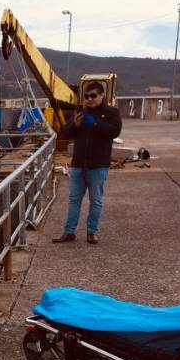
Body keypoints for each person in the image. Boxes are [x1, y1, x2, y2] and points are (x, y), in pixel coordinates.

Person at [53, 81, 122, 245]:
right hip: (78, 165)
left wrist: (95, 123)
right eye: (86, 96)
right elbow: (65, 133)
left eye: (93, 96)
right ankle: (69, 232)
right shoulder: (80, 112)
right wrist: (75, 125)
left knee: (96, 201)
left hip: (98, 166)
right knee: (73, 200)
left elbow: (114, 131)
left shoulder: (112, 112)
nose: (90, 99)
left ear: (101, 95)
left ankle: (92, 232)